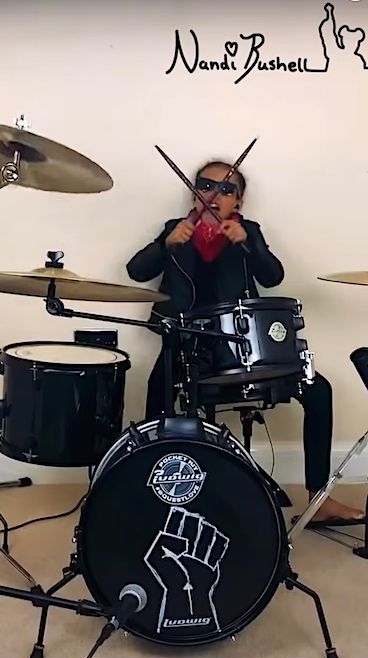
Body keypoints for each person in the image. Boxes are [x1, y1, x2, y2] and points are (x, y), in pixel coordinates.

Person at [126, 159, 364, 526]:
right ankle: (150, 496)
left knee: (319, 390)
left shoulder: (248, 231)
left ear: (238, 201)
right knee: (156, 398)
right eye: (206, 186)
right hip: (186, 348)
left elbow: (273, 276)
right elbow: (136, 271)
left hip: (241, 349)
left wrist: (249, 245)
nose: (214, 194)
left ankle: (319, 499)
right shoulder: (175, 230)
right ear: (194, 192)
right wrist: (165, 245)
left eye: (226, 189)